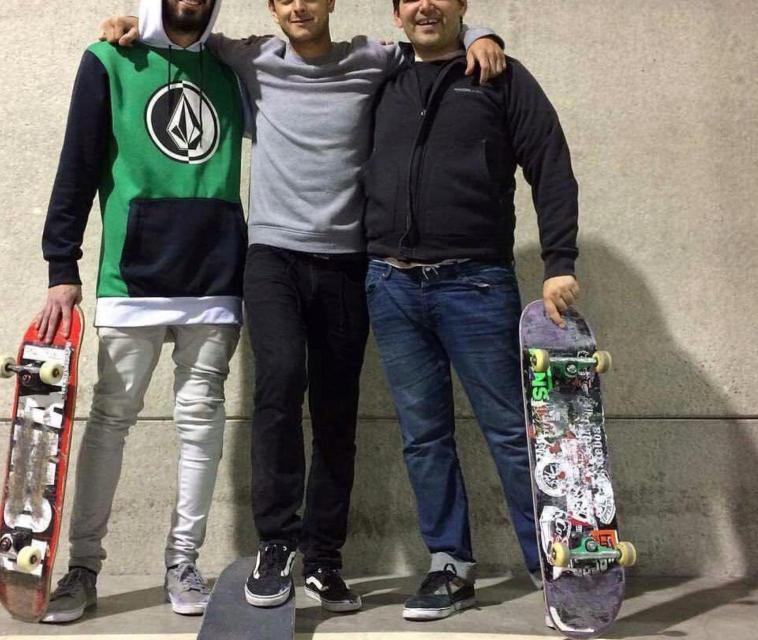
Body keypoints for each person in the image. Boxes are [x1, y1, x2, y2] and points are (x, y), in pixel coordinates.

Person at [99, 0, 506, 612]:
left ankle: (324, 559)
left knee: (337, 410)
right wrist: (133, 26)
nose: (298, 6)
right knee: (280, 384)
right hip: (272, 258)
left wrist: (480, 33)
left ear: (330, 3)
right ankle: (276, 546)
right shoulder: (251, 57)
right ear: (272, 6)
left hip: (347, 262)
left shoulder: (371, 59)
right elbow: (184, 35)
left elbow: (432, 36)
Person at [361, 0, 580, 622]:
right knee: (423, 437)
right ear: (398, 11)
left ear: (462, 5)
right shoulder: (378, 73)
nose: (425, 4)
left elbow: (551, 165)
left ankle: (554, 565)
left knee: (513, 431)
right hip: (390, 284)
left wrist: (559, 260)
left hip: (476, 285)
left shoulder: (501, 75)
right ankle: (449, 567)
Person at [35, 0, 247, 622]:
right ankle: (84, 566)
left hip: (214, 278)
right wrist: (60, 267)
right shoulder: (109, 59)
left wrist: (476, 31)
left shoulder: (234, 68)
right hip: (133, 278)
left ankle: (184, 560)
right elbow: (76, 164)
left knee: (201, 421)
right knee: (110, 420)